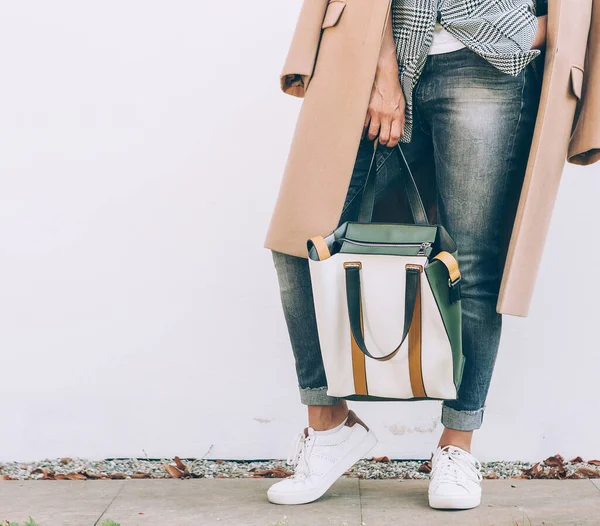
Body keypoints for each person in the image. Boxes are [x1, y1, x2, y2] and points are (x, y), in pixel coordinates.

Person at [267, 0, 547, 510]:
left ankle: (456, 446)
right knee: (302, 238)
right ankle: (329, 428)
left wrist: (540, 25)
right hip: (377, 44)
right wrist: (383, 67)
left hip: (492, 54)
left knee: (473, 262)